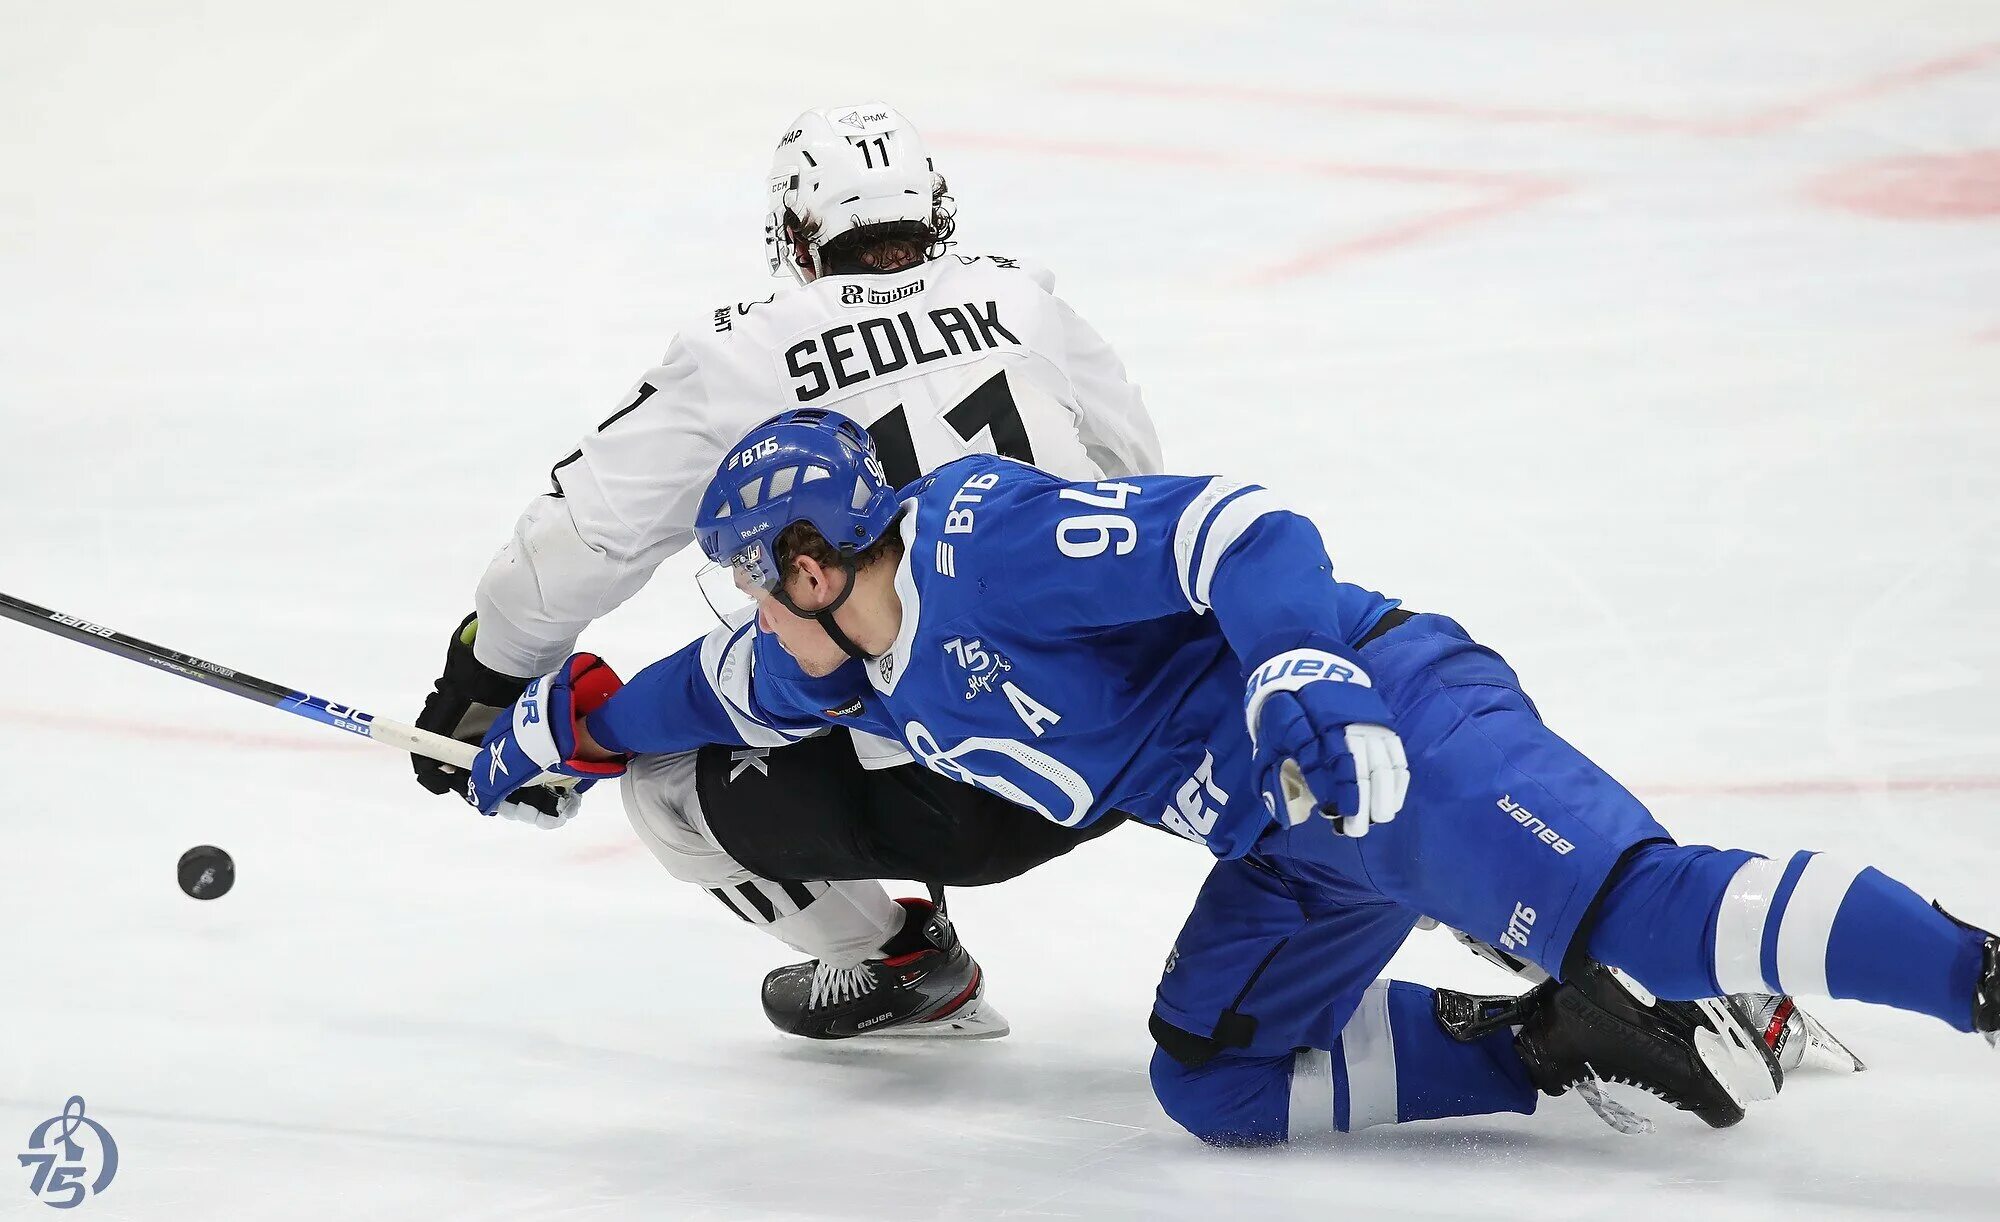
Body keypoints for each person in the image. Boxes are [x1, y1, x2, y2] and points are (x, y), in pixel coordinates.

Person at [456, 410, 1996, 1142]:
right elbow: (683, 690)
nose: (742, 604)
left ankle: (1974, 974)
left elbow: (1239, 528)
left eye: (747, 573)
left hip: (1376, 726)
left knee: (1648, 907)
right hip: (1287, 835)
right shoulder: (826, 654)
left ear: (808, 559)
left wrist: (1299, 666)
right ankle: (1554, 1033)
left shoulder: (980, 540)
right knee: (1217, 1076)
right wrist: (549, 732)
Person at [409, 103, 1162, 1037]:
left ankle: (895, 964)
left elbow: (581, 541)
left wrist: (491, 669)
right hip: (1113, 750)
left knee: (668, 784)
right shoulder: (1025, 298)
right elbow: (1138, 485)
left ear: (798, 234)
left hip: (942, 787)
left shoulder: (744, 352)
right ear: (933, 211)